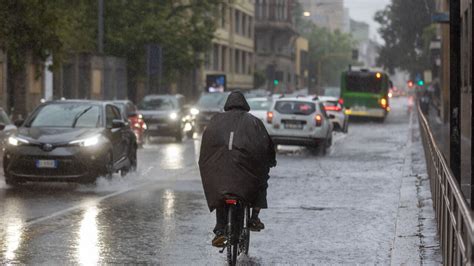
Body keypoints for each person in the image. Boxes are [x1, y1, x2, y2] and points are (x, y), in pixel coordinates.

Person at [199, 91, 276, 247]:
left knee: (221, 190)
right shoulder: (254, 122)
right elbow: (266, 145)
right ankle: (254, 217)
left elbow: (206, 147)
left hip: (220, 171)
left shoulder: (216, 120)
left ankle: (220, 230)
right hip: (246, 172)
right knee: (261, 181)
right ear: (245, 105)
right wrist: (270, 161)